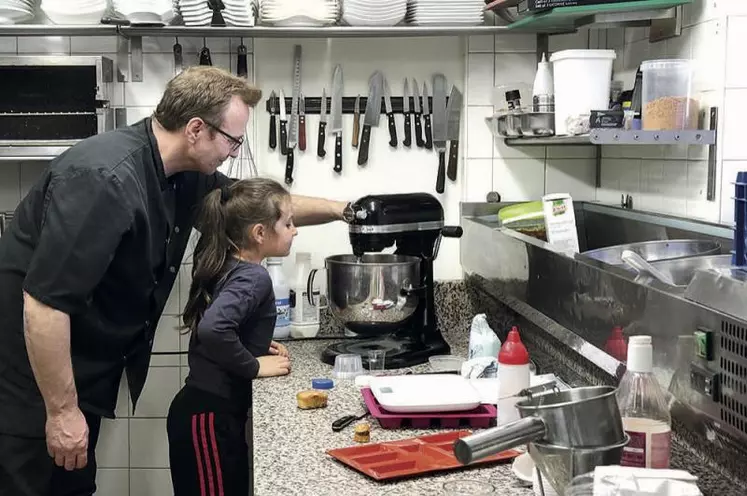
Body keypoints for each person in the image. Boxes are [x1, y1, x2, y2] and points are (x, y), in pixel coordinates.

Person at [0, 66, 357, 496]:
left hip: (74, 377)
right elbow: (44, 305)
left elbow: (261, 207)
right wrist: (61, 412)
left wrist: (347, 209)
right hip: (28, 389)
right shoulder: (104, 180)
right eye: (232, 140)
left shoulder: (181, 176)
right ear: (195, 130)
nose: (233, 151)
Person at [168, 177, 295, 496]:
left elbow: (227, 323)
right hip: (209, 418)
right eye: (288, 223)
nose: (295, 230)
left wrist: (253, 345)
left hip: (204, 413)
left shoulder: (229, 264)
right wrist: (253, 365)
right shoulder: (254, 277)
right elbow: (213, 329)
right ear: (260, 233)